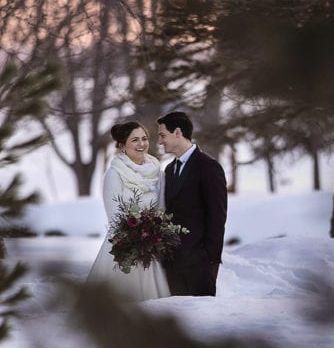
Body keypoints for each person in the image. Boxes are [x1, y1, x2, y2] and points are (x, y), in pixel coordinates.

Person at [84, 121, 171, 302]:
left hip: (151, 250)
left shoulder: (158, 172)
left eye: (144, 139)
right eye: (135, 140)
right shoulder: (114, 173)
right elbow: (115, 216)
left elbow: (162, 207)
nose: (142, 144)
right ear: (123, 145)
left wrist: (156, 234)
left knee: (154, 306)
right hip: (124, 248)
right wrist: (137, 239)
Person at [156, 111, 228, 296]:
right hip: (172, 266)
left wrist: (210, 261)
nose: (160, 141)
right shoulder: (170, 169)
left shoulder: (208, 167)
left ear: (178, 132)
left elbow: (217, 217)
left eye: (163, 135)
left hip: (199, 267)